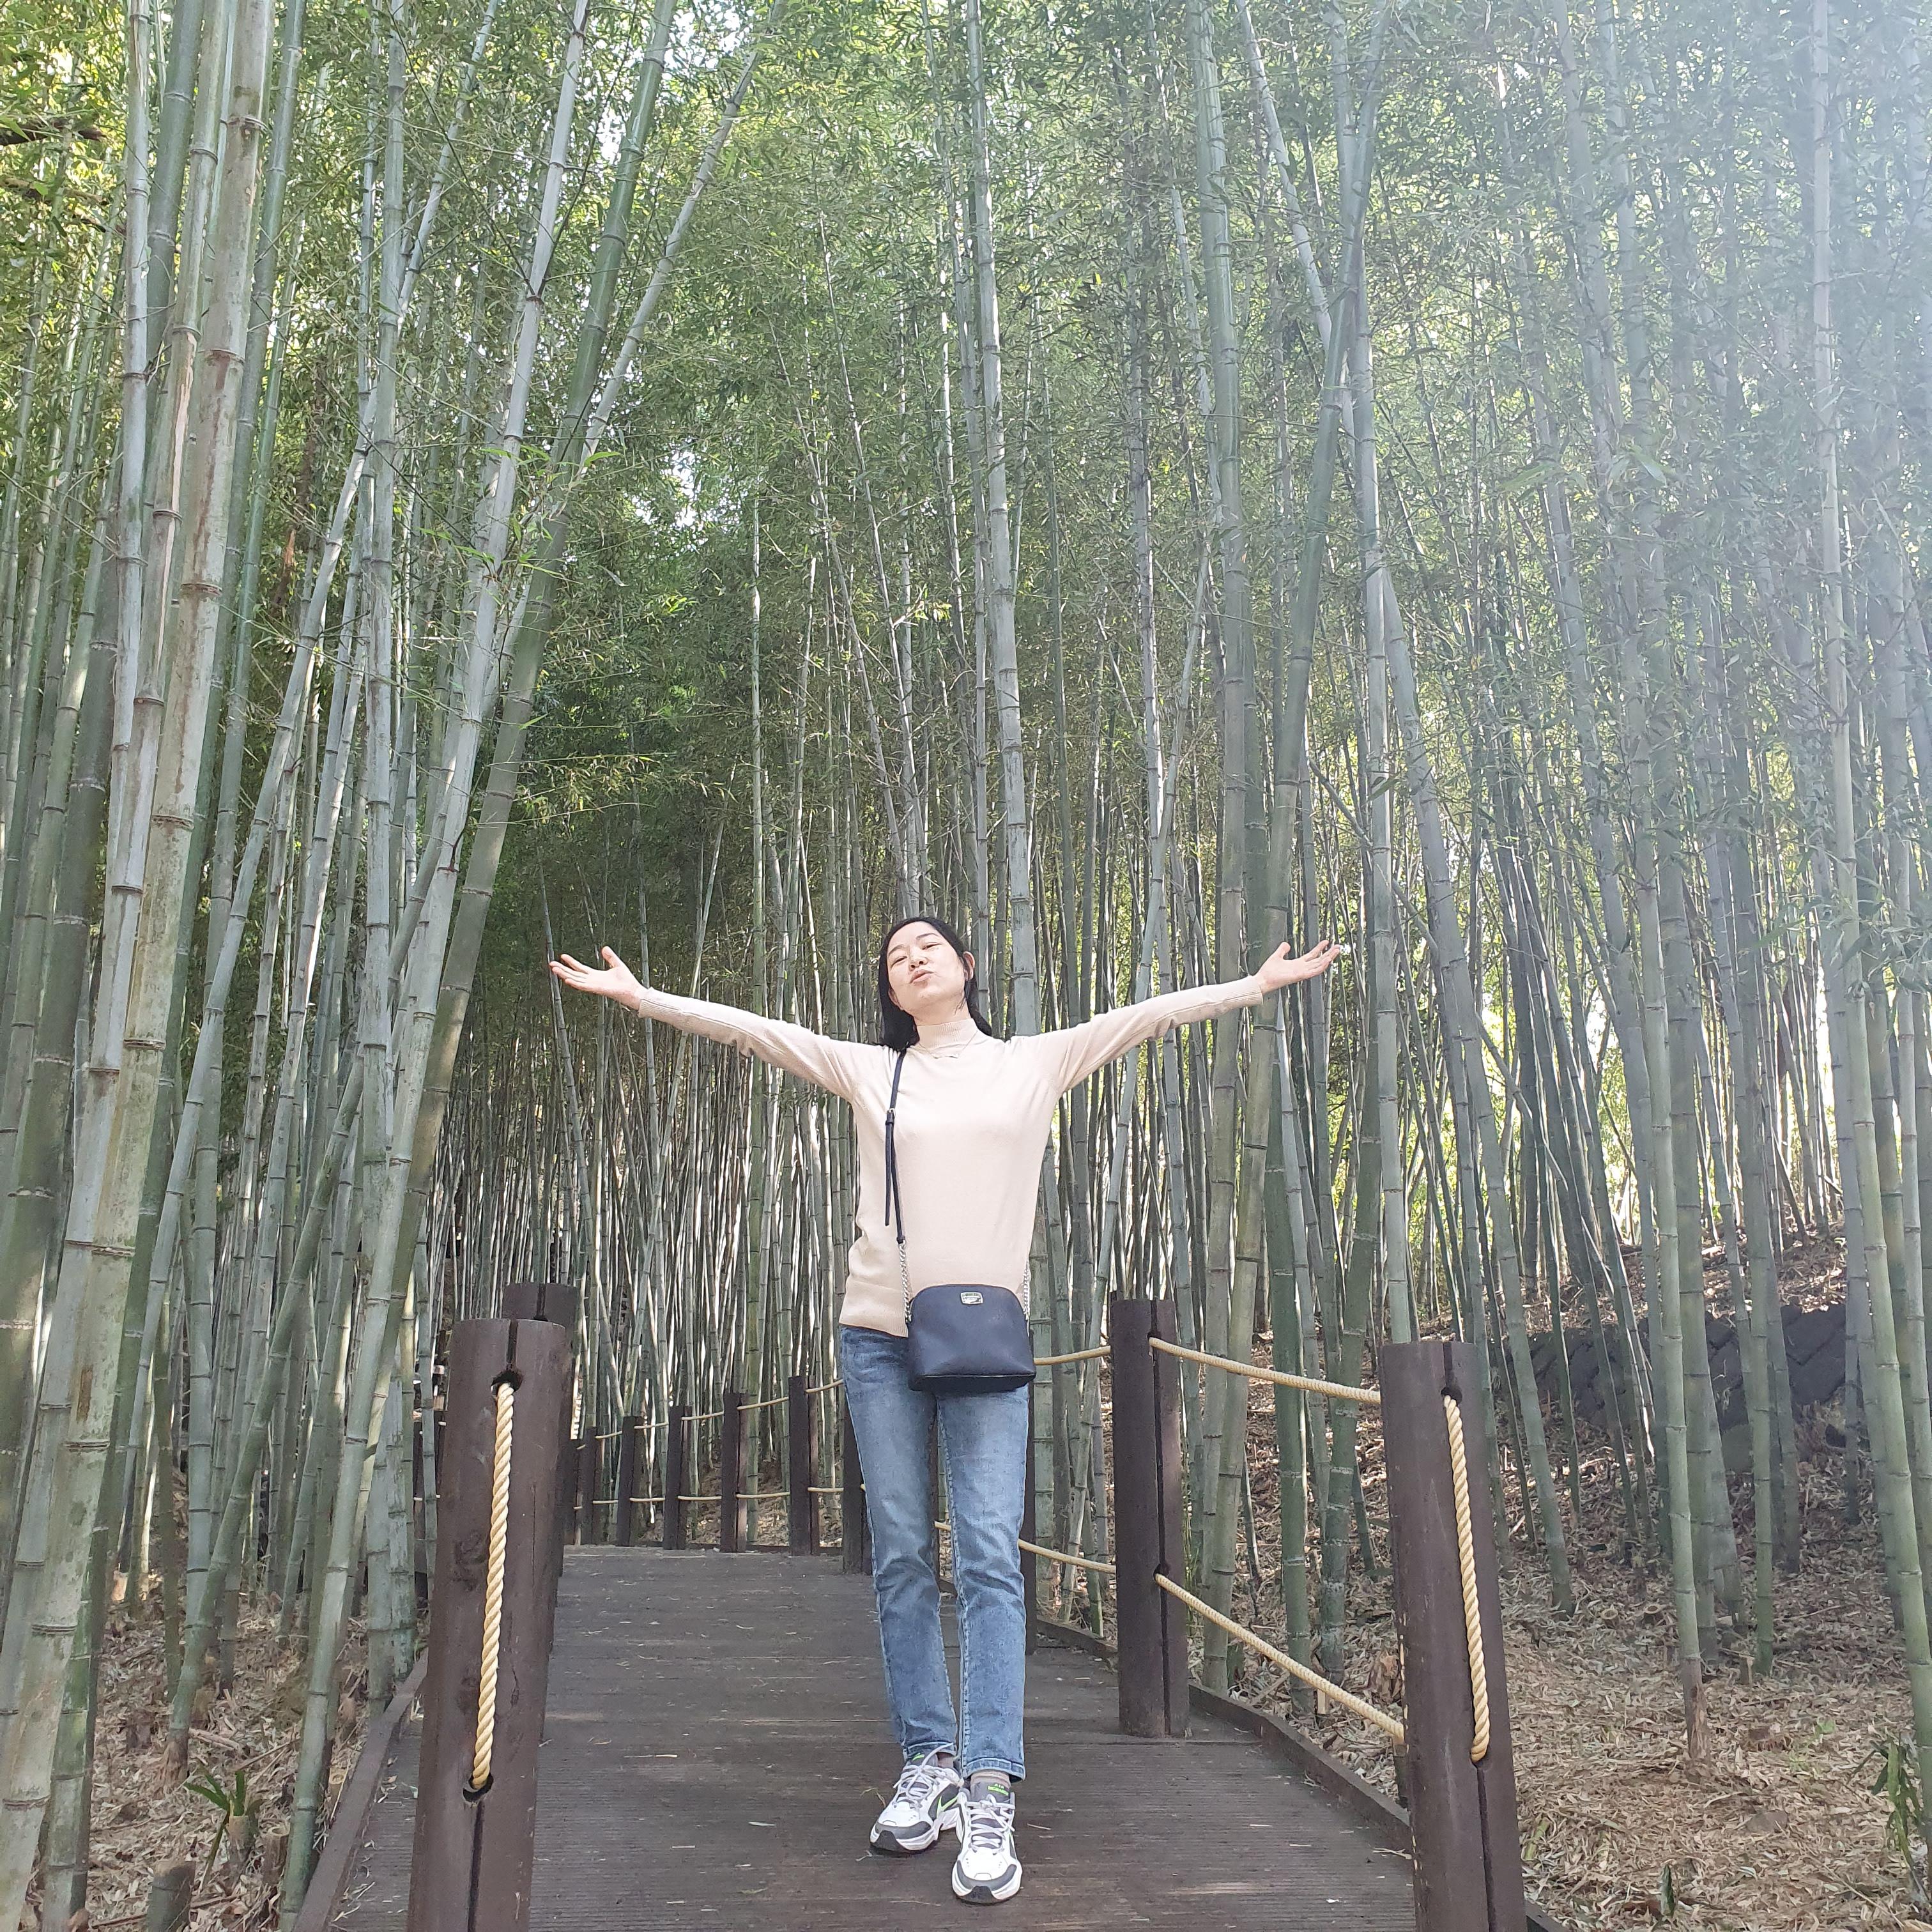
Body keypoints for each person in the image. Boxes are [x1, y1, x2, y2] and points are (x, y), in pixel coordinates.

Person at [549, 915, 1340, 1906]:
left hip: (983, 1339)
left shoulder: (1032, 1064)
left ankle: (990, 1782)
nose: (913, 958)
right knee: (901, 1557)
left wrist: (1253, 988)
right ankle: (927, 1760)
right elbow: (754, 1031)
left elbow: (1146, 1017)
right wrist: (642, 998)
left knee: (990, 1559)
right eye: (895, 956)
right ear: (890, 990)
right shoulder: (871, 1071)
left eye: (928, 945)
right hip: (878, 1338)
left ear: (967, 965)